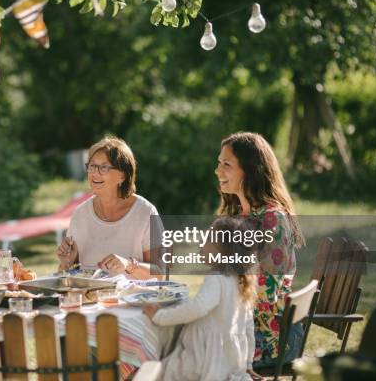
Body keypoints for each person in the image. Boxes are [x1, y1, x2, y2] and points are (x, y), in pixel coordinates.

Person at [215, 131, 304, 376]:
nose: (218, 171)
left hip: (271, 336)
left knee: (194, 348)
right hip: (248, 325)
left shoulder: (271, 219)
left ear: (250, 169)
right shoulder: (238, 217)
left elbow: (264, 293)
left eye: (226, 164)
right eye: (218, 163)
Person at [143, 217, 257, 381]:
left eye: (208, 240)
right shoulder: (240, 281)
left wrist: (159, 316)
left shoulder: (216, 279)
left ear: (224, 251)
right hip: (231, 361)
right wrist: (248, 364)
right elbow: (248, 327)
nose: (201, 244)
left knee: (162, 369)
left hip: (204, 360)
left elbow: (198, 308)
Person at [56, 136, 162, 279]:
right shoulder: (80, 214)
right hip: (90, 299)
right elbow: (68, 274)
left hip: (133, 299)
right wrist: (66, 263)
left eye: (104, 167)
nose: (94, 173)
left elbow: (160, 272)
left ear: (122, 176)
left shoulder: (145, 212)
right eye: (92, 166)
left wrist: (129, 265)